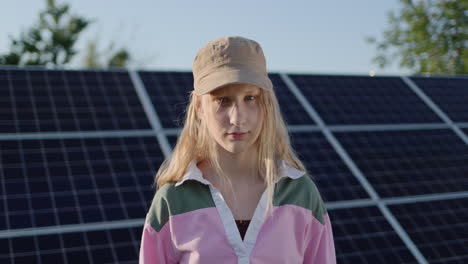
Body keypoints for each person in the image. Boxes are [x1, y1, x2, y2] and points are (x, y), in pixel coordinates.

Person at [139, 36, 336, 263]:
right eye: (222, 100)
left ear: (267, 104)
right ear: (199, 106)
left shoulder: (301, 194)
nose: (237, 118)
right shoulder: (172, 201)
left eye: (250, 98)